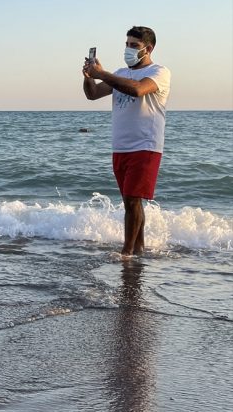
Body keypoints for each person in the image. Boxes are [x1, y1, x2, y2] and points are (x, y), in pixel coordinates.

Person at [82, 26, 171, 258]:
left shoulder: (159, 72)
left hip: (146, 145)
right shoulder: (121, 72)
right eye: (127, 44)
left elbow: (139, 89)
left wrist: (103, 74)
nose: (128, 49)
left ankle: (127, 253)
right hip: (120, 146)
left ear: (148, 49)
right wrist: (89, 77)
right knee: (130, 202)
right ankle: (139, 250)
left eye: (134, 45)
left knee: (132, 200)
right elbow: (92, 94)